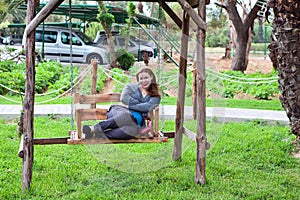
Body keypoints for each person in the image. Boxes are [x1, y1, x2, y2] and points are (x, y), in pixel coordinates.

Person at [82, 67, 161, 140]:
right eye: (141, 78)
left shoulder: (155, 96)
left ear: (151, 77)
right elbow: (124, 99)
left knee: (131, 131)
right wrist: (141, 106)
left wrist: (132, 104)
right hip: (119, 112)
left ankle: (97, 134)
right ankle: (94, 128)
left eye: (146, 78)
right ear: (138, 80)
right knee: (127, 115)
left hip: (135, 124)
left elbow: (147, 107)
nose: (144, 81)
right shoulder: (130, 87)